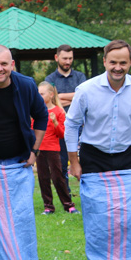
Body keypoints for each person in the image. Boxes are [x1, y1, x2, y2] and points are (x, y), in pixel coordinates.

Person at [65, 40, 131, 179]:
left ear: (130, 62)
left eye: (123, 63)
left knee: (127, 200)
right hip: (92, 157)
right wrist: (74, 162)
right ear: (104, 61)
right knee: (95, 200)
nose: (118, 68)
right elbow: (71, 125)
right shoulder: (85, 90)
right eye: (113, 62)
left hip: (126, 155)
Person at [45, 44, 87, 190]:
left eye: (70, 58)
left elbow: (83, 97)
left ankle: (85, 191)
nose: (67, 61)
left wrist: (60, 96)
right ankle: (66, 196)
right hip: (59, 128)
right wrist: (73, 97)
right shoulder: (49, 79)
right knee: (62, 163)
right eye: (64, 58)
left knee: (84, 161)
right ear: (57, 58)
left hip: (80, 126)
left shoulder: (80, 77)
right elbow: (49, 101)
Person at [35, 83, 78, 215]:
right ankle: (48, 206)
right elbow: (33, 131)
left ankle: (68, 205)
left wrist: (55, 122)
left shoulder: (59, 111)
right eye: (38, 93)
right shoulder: (36, 111)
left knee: (58, 177)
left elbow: (61, 134)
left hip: (53, 149)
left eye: (42, 94)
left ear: (51, 95)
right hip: (39, 150)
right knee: (43, 178)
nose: (39, 96)